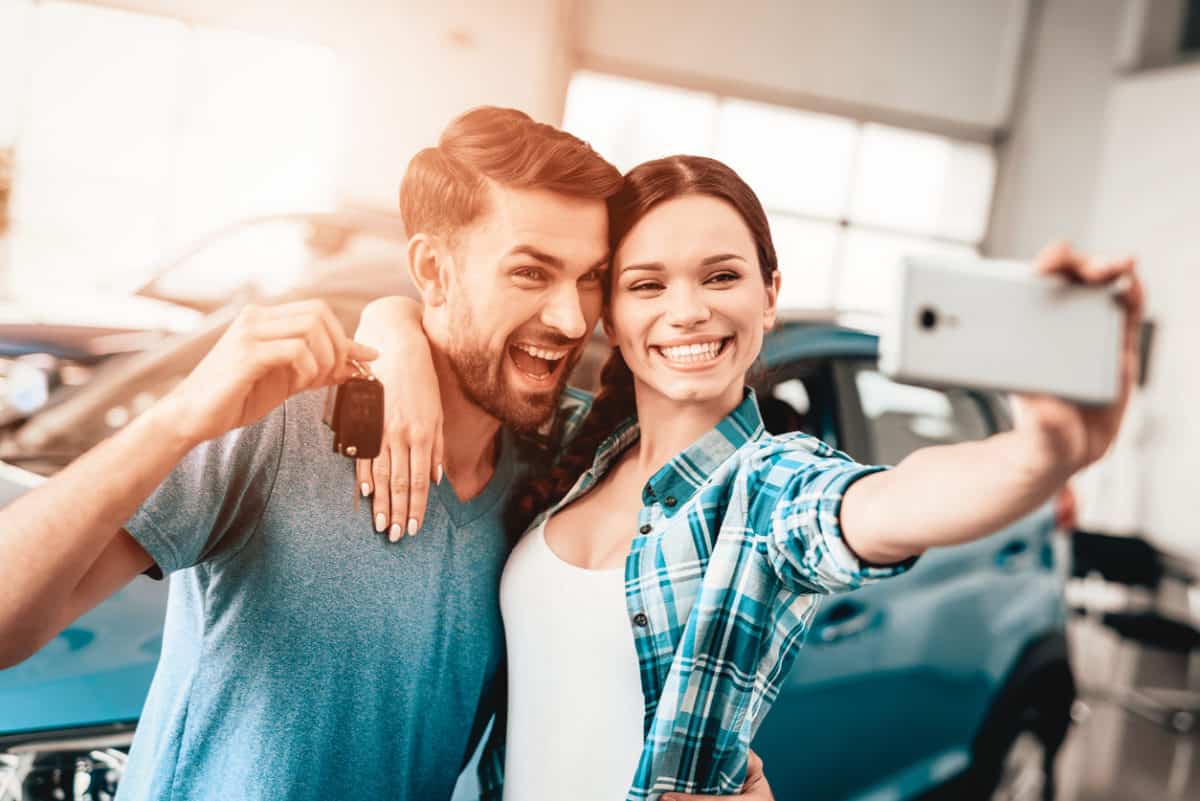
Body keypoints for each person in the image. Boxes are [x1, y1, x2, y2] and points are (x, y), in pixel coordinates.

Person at [0, 108, 773, 801]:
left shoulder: (564, 473)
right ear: (434, 272)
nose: (571, 317)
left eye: (592, 279)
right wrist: (176, 420)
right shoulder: (285, 424)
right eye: (530, 272)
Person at [356, 155, 1142, 800]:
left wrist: (1042, 452)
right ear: (611, 320)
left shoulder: (771, 488)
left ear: (769, 295)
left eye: (721, 277)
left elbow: (886, 501)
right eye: (647, 283)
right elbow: (456, 353)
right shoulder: (569, 447)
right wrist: (390, 328)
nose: (688, 309)